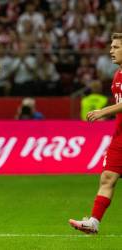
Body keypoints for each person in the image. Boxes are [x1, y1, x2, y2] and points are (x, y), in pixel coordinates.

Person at [69, 33, 122, 234]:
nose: (111, 50)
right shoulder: (117, 75)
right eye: (111, 46)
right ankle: (93, 223)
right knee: (107, 177)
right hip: (120, 136)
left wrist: (103, 111)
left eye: (116, 47)